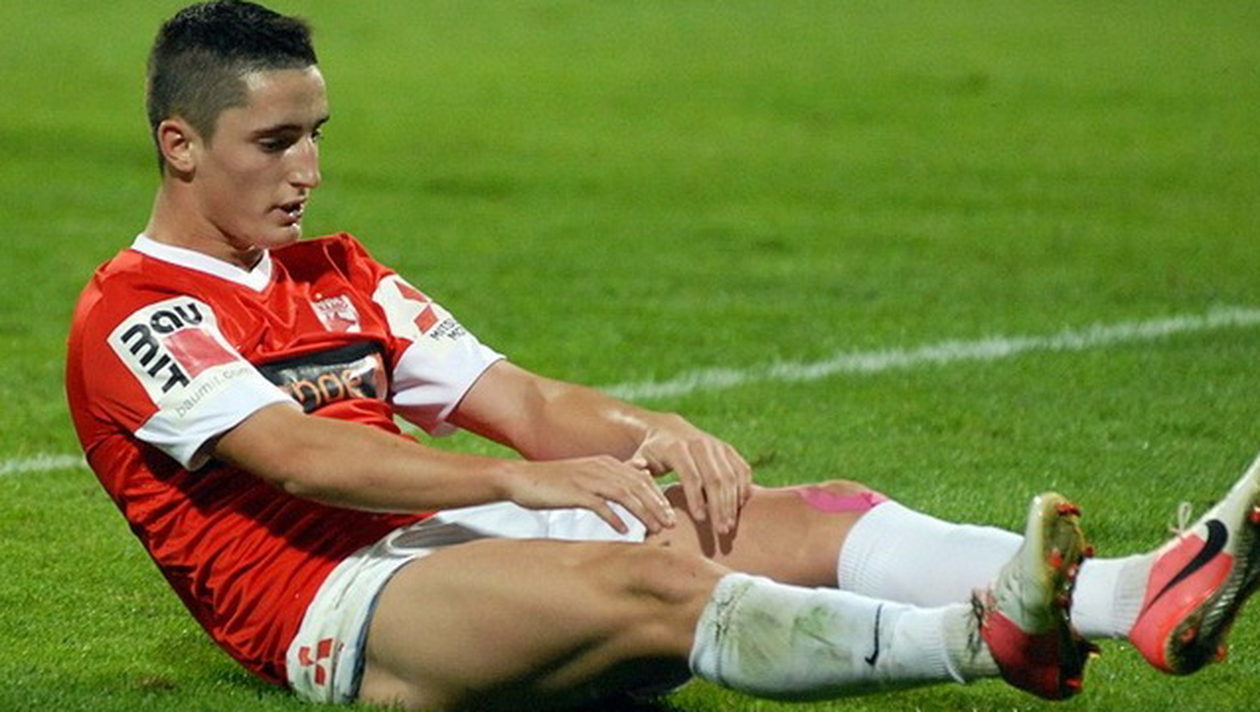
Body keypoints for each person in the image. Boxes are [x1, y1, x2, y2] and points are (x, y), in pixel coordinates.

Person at [64, 1, 1260, 709]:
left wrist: (654, 433)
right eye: (275, 142)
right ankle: (983, 641)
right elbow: (298, 455)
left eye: (317, 135)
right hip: (340, 605)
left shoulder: (339, 270)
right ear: (181, 144)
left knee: (809, 515)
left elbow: (524, 399)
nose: (309, 170)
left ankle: (1133, 594)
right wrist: (517, 479)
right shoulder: (136, 311)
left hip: (455, 539)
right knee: (658, 584)